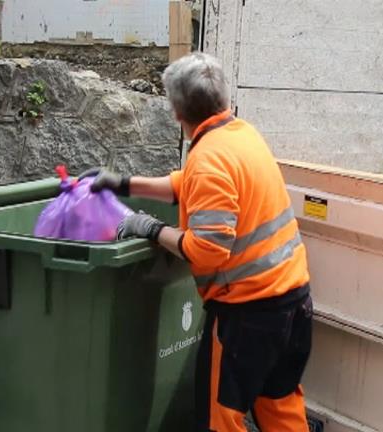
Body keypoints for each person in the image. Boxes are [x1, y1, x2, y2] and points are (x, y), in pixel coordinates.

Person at [85, 52, 313, 432]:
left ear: (177, 114)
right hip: (293, 303)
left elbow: (207, 251)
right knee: (281, 408)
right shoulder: (241, 135)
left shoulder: (209, 158)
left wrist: (150, 229)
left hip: (247, 317)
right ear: (225, 98)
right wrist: (124, 183)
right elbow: (187, 183)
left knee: (219, 421)